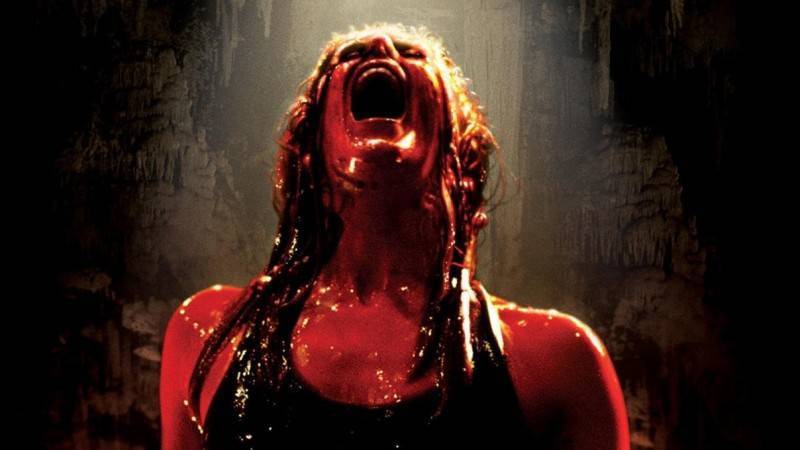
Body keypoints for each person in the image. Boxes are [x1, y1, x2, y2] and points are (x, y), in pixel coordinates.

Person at [160, 23, 629, 450]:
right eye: (351, 54)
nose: (380, 46)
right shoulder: (207, 334)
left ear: (459, 158)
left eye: (411, 53)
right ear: (309, 154)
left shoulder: (557, 361)